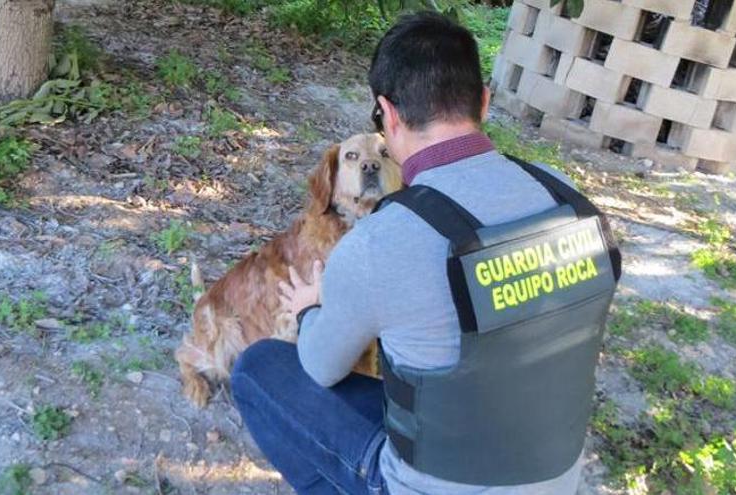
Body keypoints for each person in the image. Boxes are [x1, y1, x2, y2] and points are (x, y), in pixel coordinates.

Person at [230, 11, 614, 495]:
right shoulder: (570, 199)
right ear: (485, 102)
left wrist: (311, 309)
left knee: (258, 370)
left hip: (432, 481)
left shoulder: (381, 241)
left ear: (387, 113)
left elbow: (321, 367)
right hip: (553, 477)